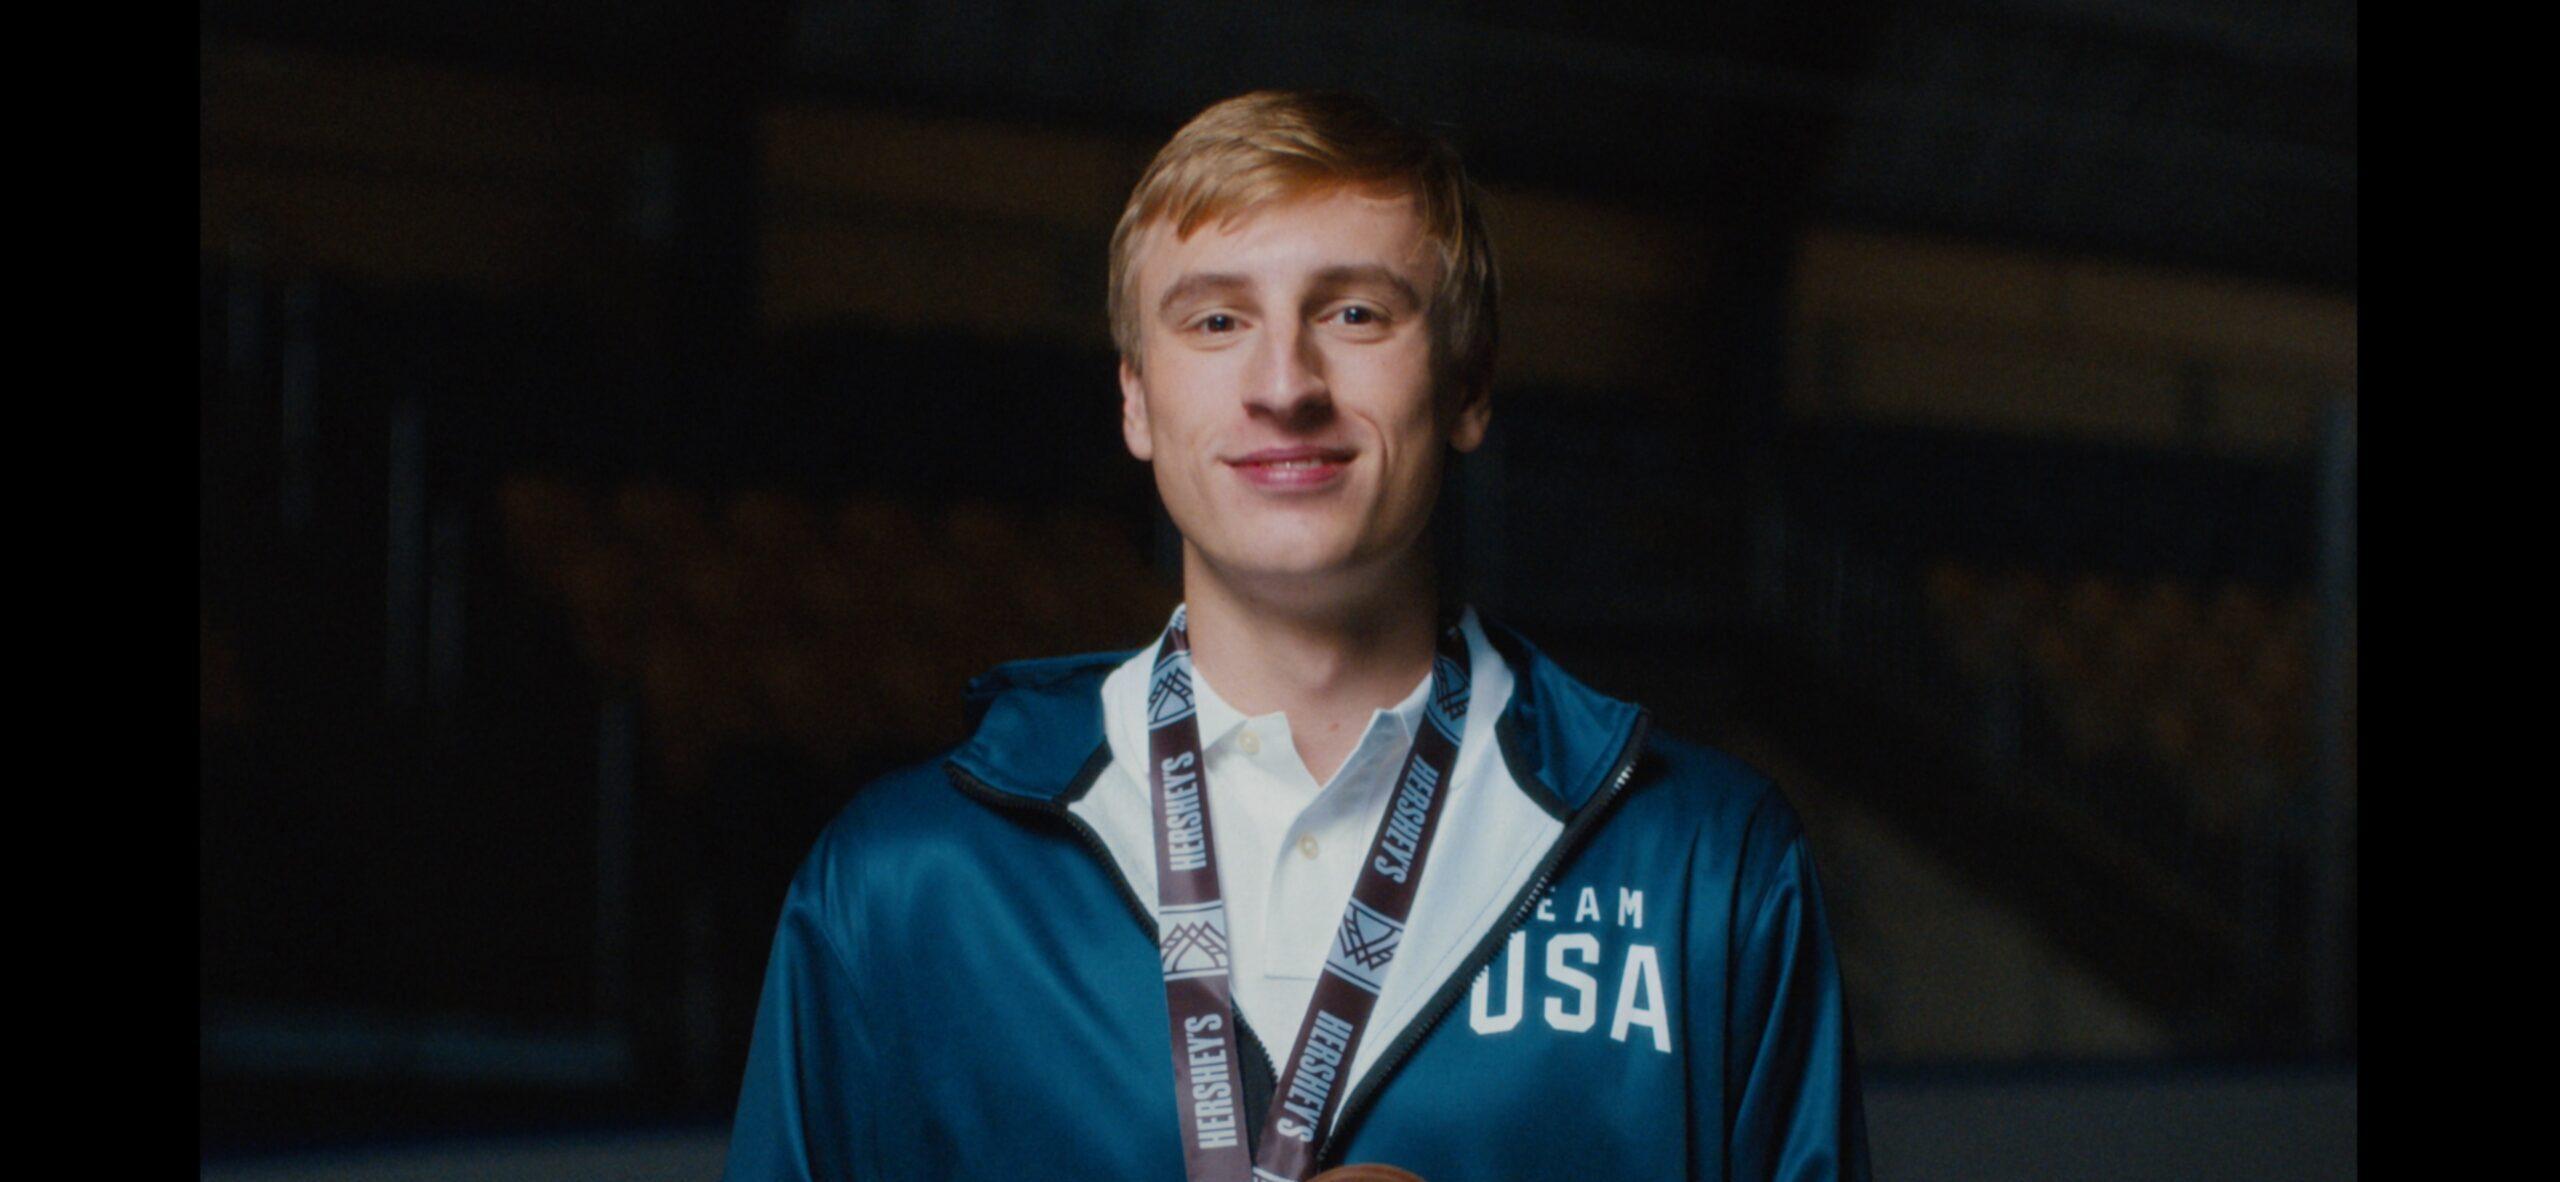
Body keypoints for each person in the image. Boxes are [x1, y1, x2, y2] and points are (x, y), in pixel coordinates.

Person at [723, 89, 1870, 1182]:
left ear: (1468, 383)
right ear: (1136, 400)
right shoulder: (905, 882)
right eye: (1216, 320)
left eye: (1354, 313)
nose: (1284, 384)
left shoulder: (1702, 863)